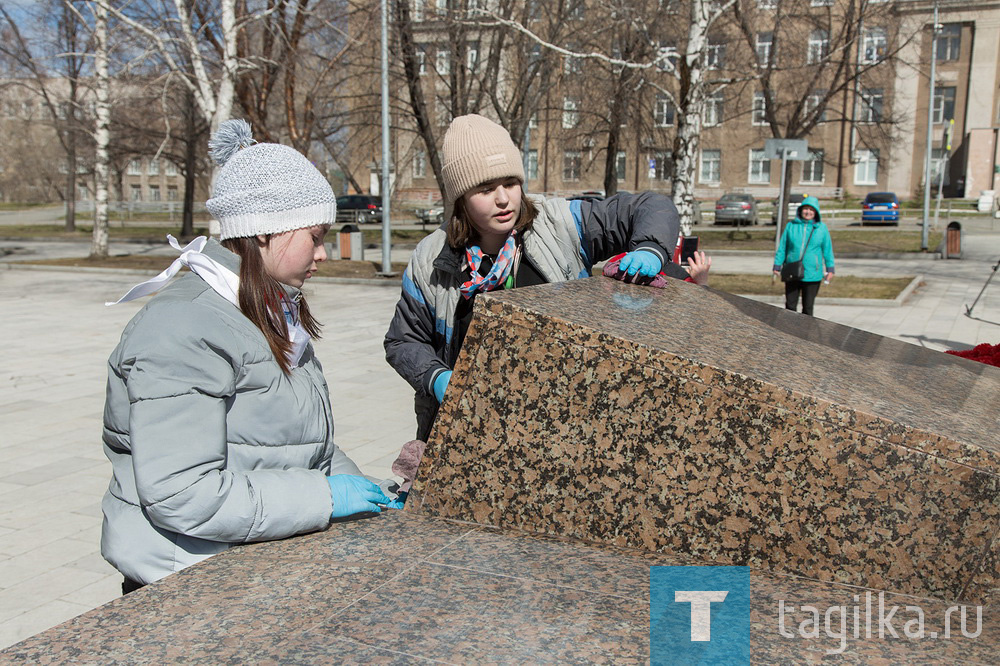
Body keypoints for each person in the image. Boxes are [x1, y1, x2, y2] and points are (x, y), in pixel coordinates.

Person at [102, 119, 398, 593]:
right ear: (263, 231)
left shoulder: (267, 308)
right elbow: (182, 494)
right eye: (315, 235)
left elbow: (296, 445)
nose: (323, 254)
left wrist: (362, 491)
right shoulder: (184, 330)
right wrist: (324, 496)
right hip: (184, 576)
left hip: (248, 556)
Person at [384, 114, 711, 441]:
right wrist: (437, 377)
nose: (503, 199)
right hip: (474, 429)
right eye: (485, 189)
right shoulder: (429, 257)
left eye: (510, 183)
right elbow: (404, 340)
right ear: (461, 198)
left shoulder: (560, 223)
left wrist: (651, 249)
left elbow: (652, 207)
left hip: (566, 423)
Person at [772, 195, 835, 316]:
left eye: (811, 210)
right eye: (806, 209)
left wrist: (830, 268)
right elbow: (783, 247)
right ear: (800, 210)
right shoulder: (791, 226)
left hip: (812, 274)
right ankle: (789, 330)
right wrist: (777, 265)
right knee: (790, 306)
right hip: (792, 271)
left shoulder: (821, 228)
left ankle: (805, 333)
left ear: (816, 212)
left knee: (808, 308)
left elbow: (827, 249)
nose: (808, 212)